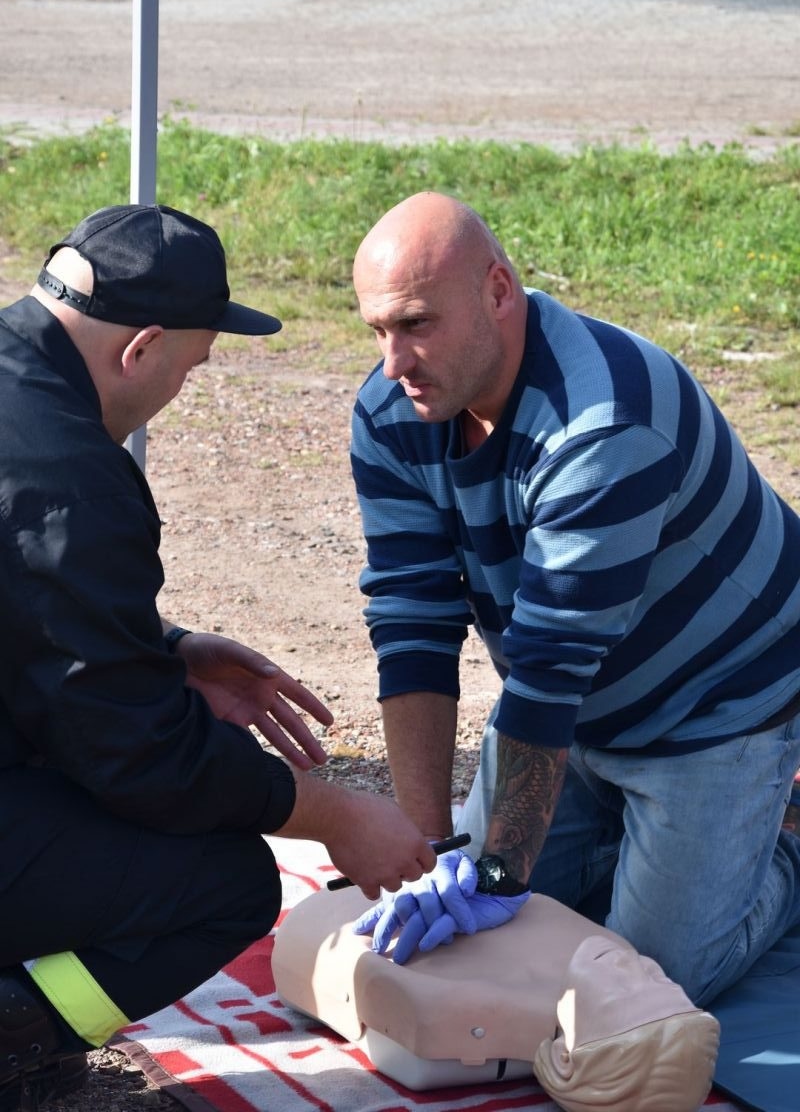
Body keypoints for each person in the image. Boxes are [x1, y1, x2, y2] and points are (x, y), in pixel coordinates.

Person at [0, 204, 436, 1112]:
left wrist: (163, 651)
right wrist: (324, 812)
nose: (182, 387)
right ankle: (19, 1028)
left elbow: (27, 605)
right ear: (142, 347)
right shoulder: (69, 478)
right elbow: (140, 761)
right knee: (225, 880)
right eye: (192, 367)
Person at [349, 190, 800, 1009]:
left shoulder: (604, 424)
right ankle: (639, 838)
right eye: (377, 330)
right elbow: (412, 619)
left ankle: (784, 842)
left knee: (648, 983)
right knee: (491, 928)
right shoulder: (392, 410)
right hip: (576, 705)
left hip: (718, 701)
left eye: (416, 324)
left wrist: (492, 870)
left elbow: (550, 670)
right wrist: (429, 849)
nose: (393, 363)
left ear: (497, 291)